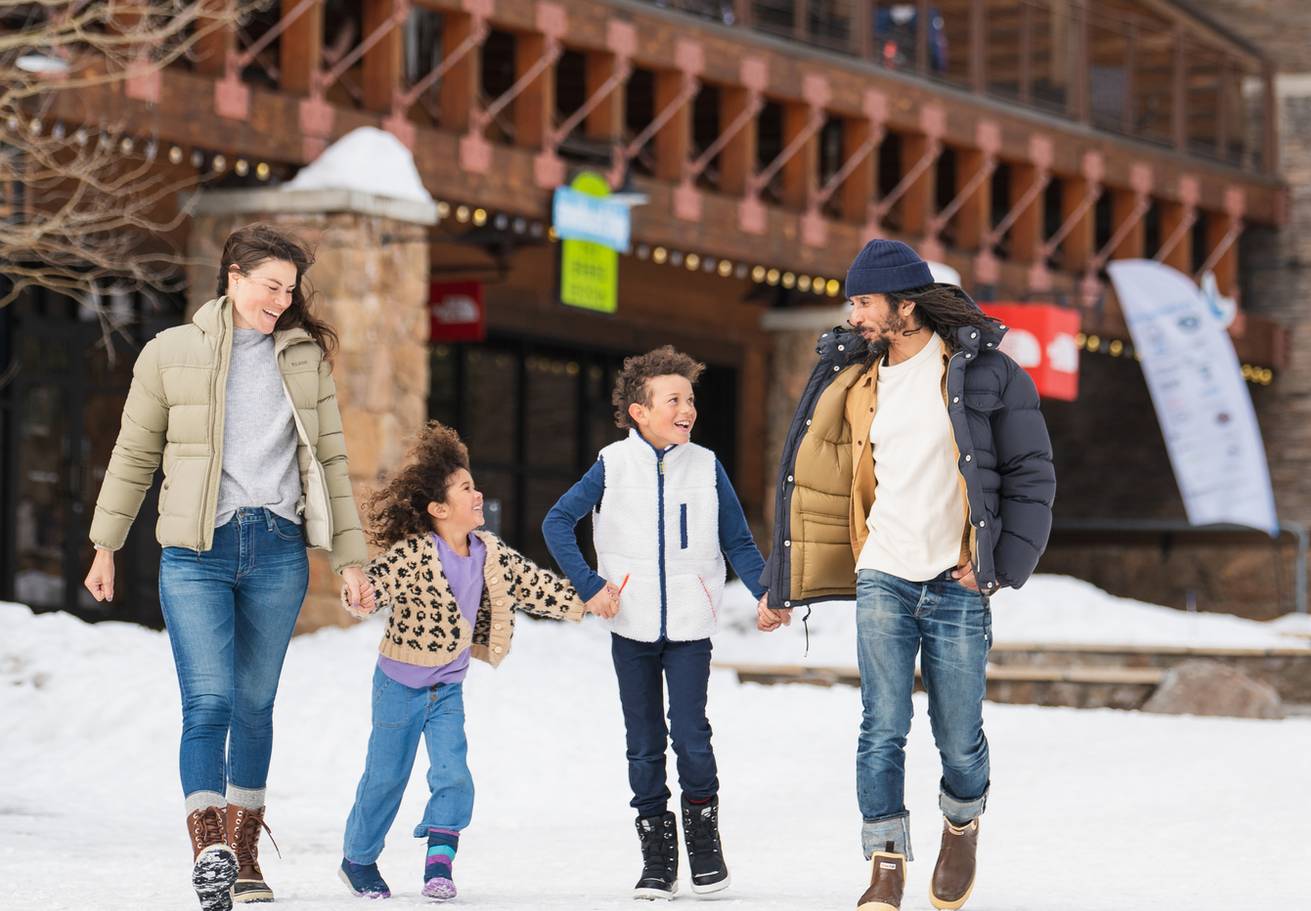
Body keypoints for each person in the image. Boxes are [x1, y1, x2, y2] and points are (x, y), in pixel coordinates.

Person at [84, 222, 375, 910]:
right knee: (208, 702)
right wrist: (107, 542)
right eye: (271, 286)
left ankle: (244, 853)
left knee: (254, 705)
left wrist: (352, 558)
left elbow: (330, 463)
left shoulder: (303, 359)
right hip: (195, 553)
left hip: (277, 548)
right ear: (234, 277)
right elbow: (134, 453)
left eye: (290, 290)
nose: (282, 299)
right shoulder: (169, 353)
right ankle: (210, 847)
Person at [758, 239, 1055, 911]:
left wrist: (999, 566)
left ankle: (962, 818)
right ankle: (884, 861)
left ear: (905, 304)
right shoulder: (853, 379)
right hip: (883, 573)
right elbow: (806, 481)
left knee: (958, 732)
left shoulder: (984, 374)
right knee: (881, 724)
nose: (853, 314)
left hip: (957, 580)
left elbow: (1030, 473)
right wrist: (784, 579)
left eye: (864, 301)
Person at [542, 345, 766, 900]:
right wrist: (591, 587)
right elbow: (557, 521)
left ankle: (705, 842)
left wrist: (769, 594)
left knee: (691, 737)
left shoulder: (707, 466)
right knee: (643, 744)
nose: (687, 408)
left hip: (691, 626)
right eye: (673, 400)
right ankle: (657, 857)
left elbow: (737, 539)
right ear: (639, 412)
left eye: (690, 399)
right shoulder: (611, 465)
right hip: (631, 626)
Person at [338, 421, 594, 901]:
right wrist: (362, 595)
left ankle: (440, 860)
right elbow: (378, 581)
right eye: (465, 489)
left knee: (453, 772)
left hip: (447, 688)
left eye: (474, 486)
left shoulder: (489, 553)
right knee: (386, 777)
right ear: (438, 509)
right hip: (399, 685)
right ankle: (358, 859)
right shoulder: (415, 553)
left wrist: (589, 601)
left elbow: (537, 587)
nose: (477, 495)